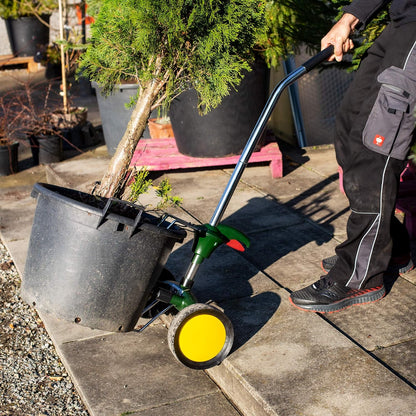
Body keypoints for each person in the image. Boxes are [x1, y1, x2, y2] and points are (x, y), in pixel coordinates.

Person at [289, 0, 416, 313]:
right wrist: (350, 18)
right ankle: (390, 247)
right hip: (401, 23)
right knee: (350, 130)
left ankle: (361, 274)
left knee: (376, 145)